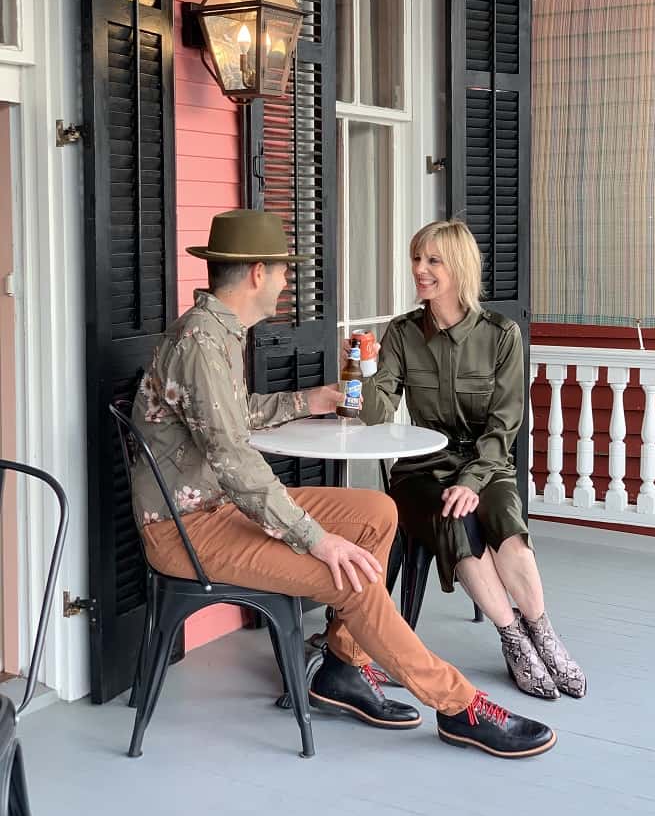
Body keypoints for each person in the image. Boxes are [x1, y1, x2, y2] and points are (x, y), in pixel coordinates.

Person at [130, 209, 556, 758]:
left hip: (214, 507)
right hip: (187, 526)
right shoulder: (201, 343)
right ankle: (458, 704)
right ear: (258, 273)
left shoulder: (217, 332)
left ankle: (341, 666)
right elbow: (235, 461)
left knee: (377, 511)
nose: (287, 282)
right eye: (284, 271)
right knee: (349, 577)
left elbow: (232, 416)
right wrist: (315, 537)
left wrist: (311, 399)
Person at [357, 219, 586, 701]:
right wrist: (368, 367)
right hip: (421, 469)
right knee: (453, 516)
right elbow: (377, 417)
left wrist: (475, 480)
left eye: (432, 260)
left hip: (487, 461)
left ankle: (542, 632)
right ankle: (513, 638)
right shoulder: (400, 333)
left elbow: (503, 427)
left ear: (459, 267)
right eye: (417, 258)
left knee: (502, 517)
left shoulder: (502, 335)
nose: (419, 269)